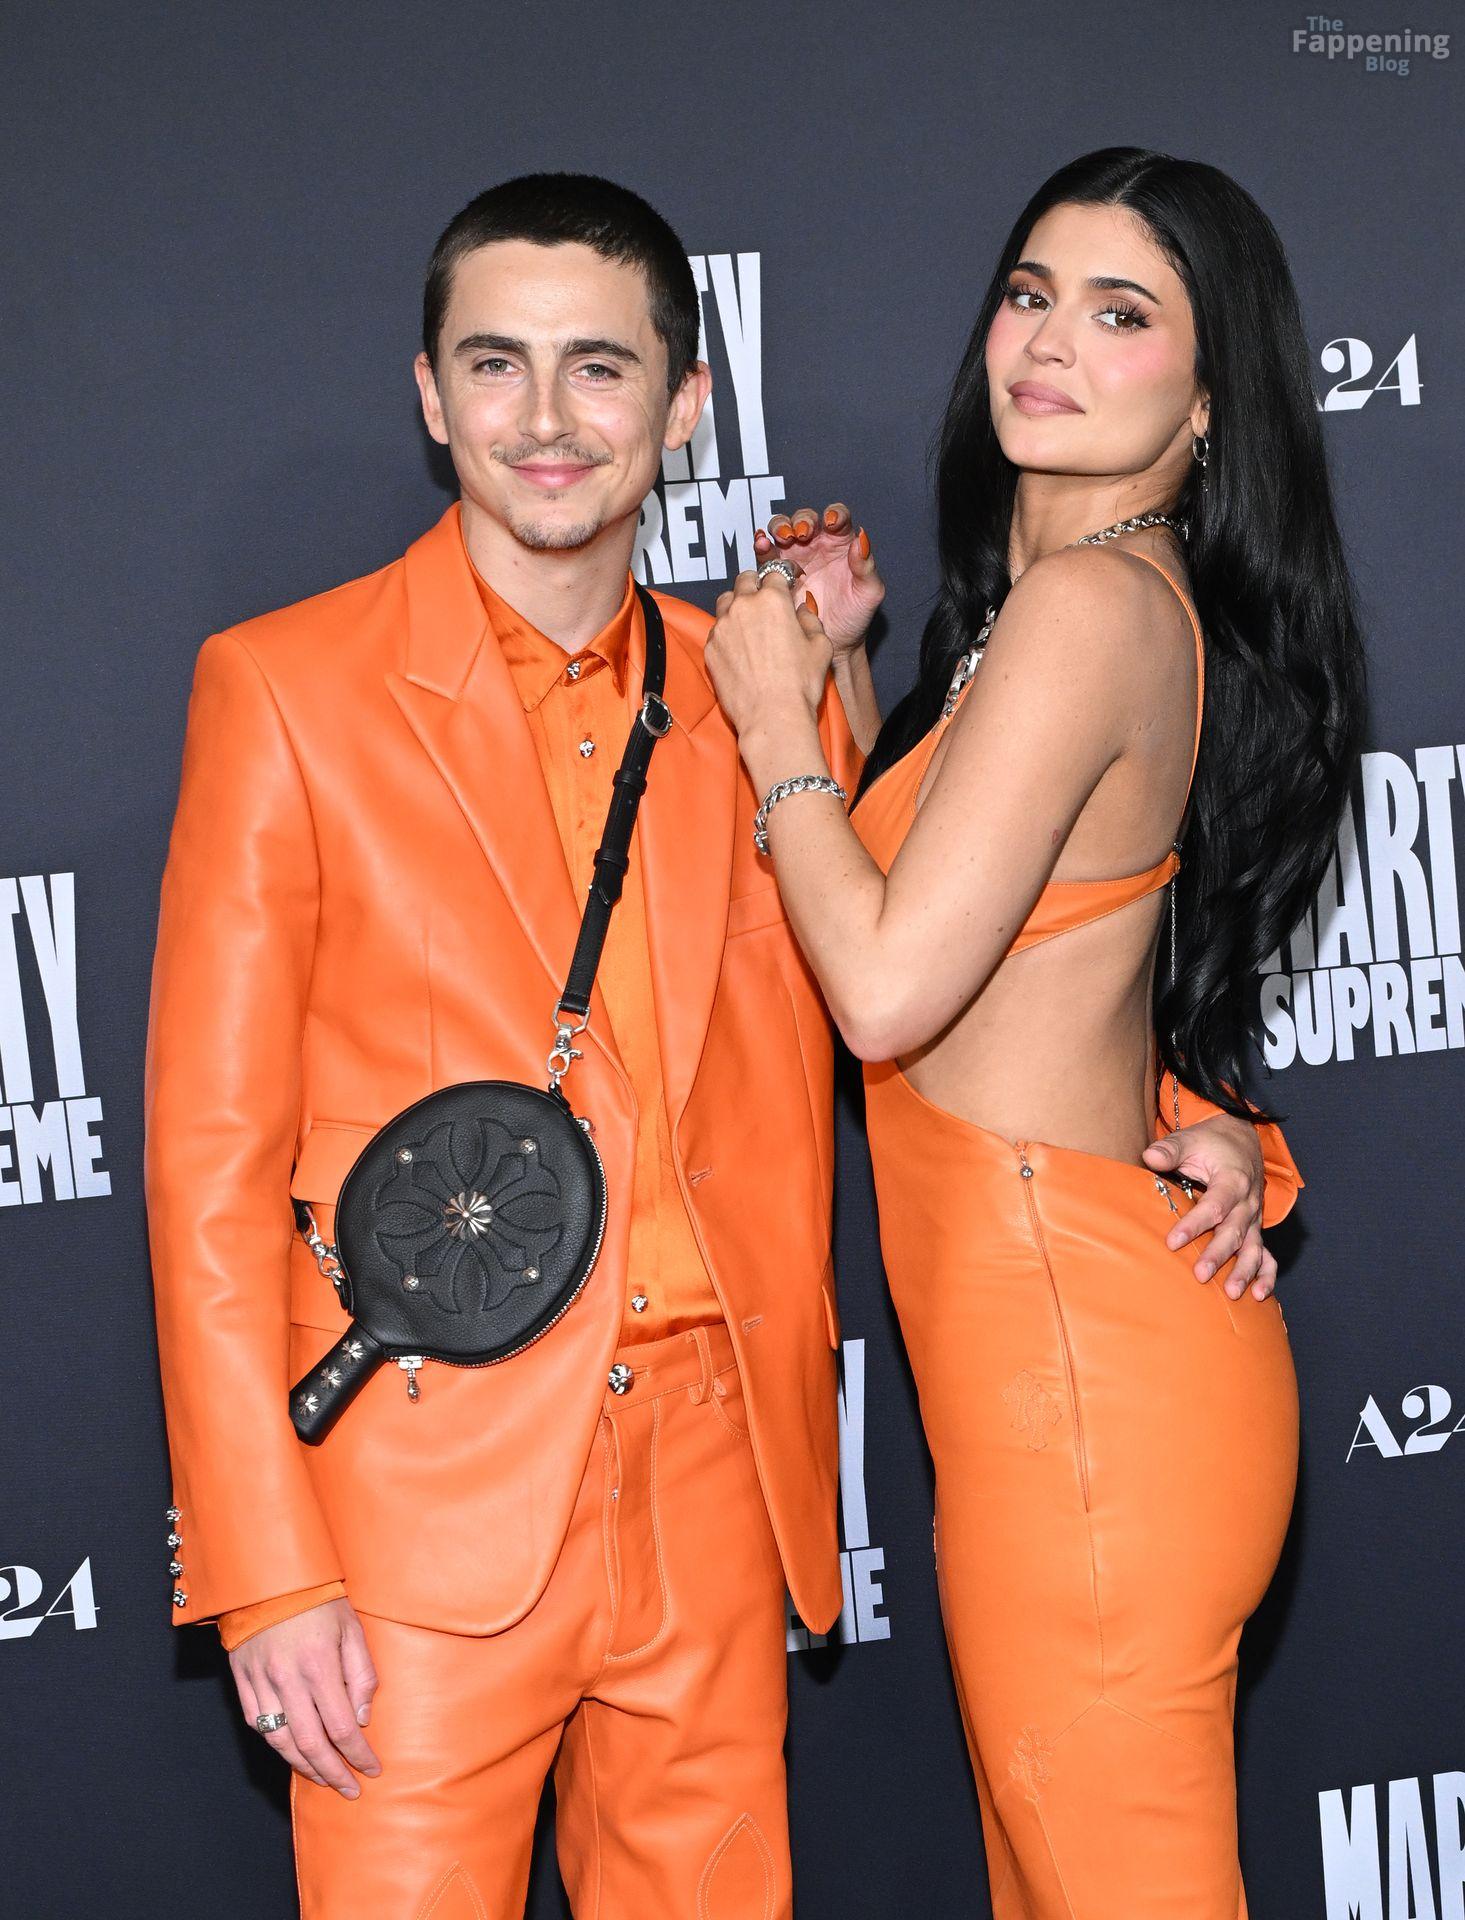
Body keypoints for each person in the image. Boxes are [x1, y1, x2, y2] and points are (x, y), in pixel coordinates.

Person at [145, 169, 1278, 1920]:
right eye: (496, 363)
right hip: (419, 1518)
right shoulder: (286, 690)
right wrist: (265, 1566)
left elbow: (952, 976)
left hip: (712, 1497)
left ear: (682, 405)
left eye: (598, 367)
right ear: (430, 394)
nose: (544, 417)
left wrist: (1204, 1128)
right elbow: (206, 1166)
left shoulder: (763, 697)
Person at [706, 146, 1364, 1919]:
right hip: (1059, 1355)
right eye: (1027, 293)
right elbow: (978, 938)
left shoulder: (1090, 608)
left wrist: (767, 722)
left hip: (1078, 1378)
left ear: (1211, 399)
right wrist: (849, 682)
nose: (1049, 343)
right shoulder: (1053, 606)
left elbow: (884, 993)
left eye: (1121, 313)